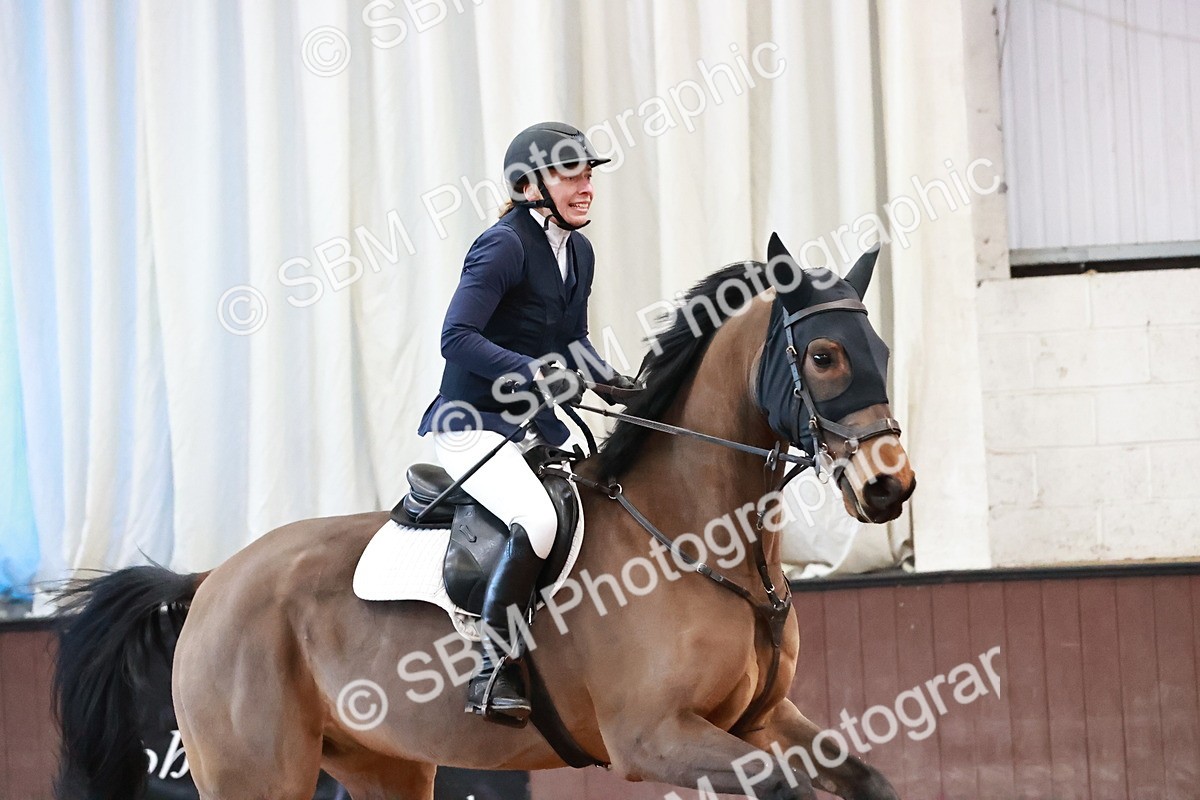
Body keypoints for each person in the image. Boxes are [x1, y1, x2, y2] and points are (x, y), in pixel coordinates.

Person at [417, 121, 635, 724]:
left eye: (588, 175)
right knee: (536, 518)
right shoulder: (504, 246)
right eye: (571, 175)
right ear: (530, 185)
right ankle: (493, 664)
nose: (586, 187)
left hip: (532, 420)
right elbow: (455, 337)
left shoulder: (579, 252)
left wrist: (613, 382)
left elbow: (574, 341)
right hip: (472, 422)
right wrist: (534, 370)